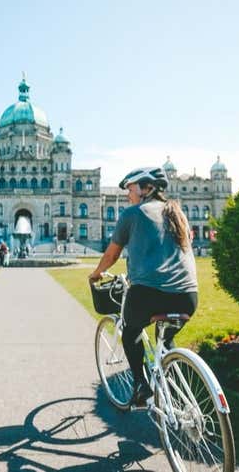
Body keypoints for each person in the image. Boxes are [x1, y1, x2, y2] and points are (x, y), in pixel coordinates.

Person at [88, 166, 197, 406]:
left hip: (148, 294)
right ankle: (176, 392)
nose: (128, 195)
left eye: (130, 189)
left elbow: (111, 256)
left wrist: (96, 274)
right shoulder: (178, 213)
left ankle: (141, 385)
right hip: (189, 296)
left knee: (130, 331)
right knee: (165, 340)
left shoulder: (132, 214)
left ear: (147, 188)